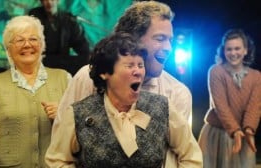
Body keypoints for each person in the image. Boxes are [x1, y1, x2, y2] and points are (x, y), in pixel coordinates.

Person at [47, 1, 193, 167]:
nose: (168, 48)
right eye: (160, 39)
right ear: (132, 39)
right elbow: (59, 153)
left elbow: (184, 157)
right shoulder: (87, 77)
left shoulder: (176, 93)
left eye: (170, 40)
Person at [0, 15, 72, 167]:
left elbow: (80, 133)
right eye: (19, 40)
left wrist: (64, 116)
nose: (27, 45)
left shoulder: (65, 79)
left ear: (42, 45)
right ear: (8, 49)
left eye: (33, 39)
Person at [198, 29, 261, 168]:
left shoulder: (256, 76)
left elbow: (255, 106)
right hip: (217, 135)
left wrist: (249, 130)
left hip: (244, 137)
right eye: (229, 49)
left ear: (245, 50)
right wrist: (235, 131)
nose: (233, 53)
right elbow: (220, 106)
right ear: (224, 51)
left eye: (237, 48)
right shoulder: (216, 71)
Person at [29, 0, 90, 75]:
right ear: (41, 2)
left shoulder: (68, 19)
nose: (49, 3)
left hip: (62, 64)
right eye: (45, 0)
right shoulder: (34, 17)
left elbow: (82, 47)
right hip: (41, 62)